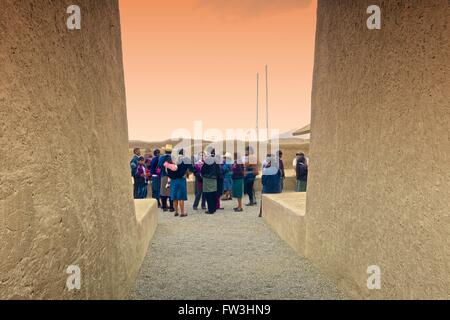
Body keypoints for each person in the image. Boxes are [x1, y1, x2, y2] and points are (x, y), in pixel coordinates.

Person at [166, 149, 192, 217]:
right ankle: (182, 213)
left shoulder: (172, 160)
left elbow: (167, 171)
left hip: (173, 180)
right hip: (181, 180)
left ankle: (176, 212)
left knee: (174, 197)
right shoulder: (186, 160)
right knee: (181, 197)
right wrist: (187, 173)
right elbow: (192, 169)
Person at [201, 149, 221, 214]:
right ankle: (214, 208)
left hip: (207, 179)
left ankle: (210, 210)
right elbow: (218, 171)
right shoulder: (216, 160)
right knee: (214, 194)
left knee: (208, 195)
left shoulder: (207, 160)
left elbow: (203, 170)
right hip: (214, 179)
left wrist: (203, 175)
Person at [158, 145, 175, 212]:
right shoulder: (173, 157)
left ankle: (164, 207)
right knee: (171, 192)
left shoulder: (161, 157)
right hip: (171, 177)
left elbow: (159, 165)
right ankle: (171, 207)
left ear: (165, 151)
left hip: (164, 176)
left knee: (163, 192)